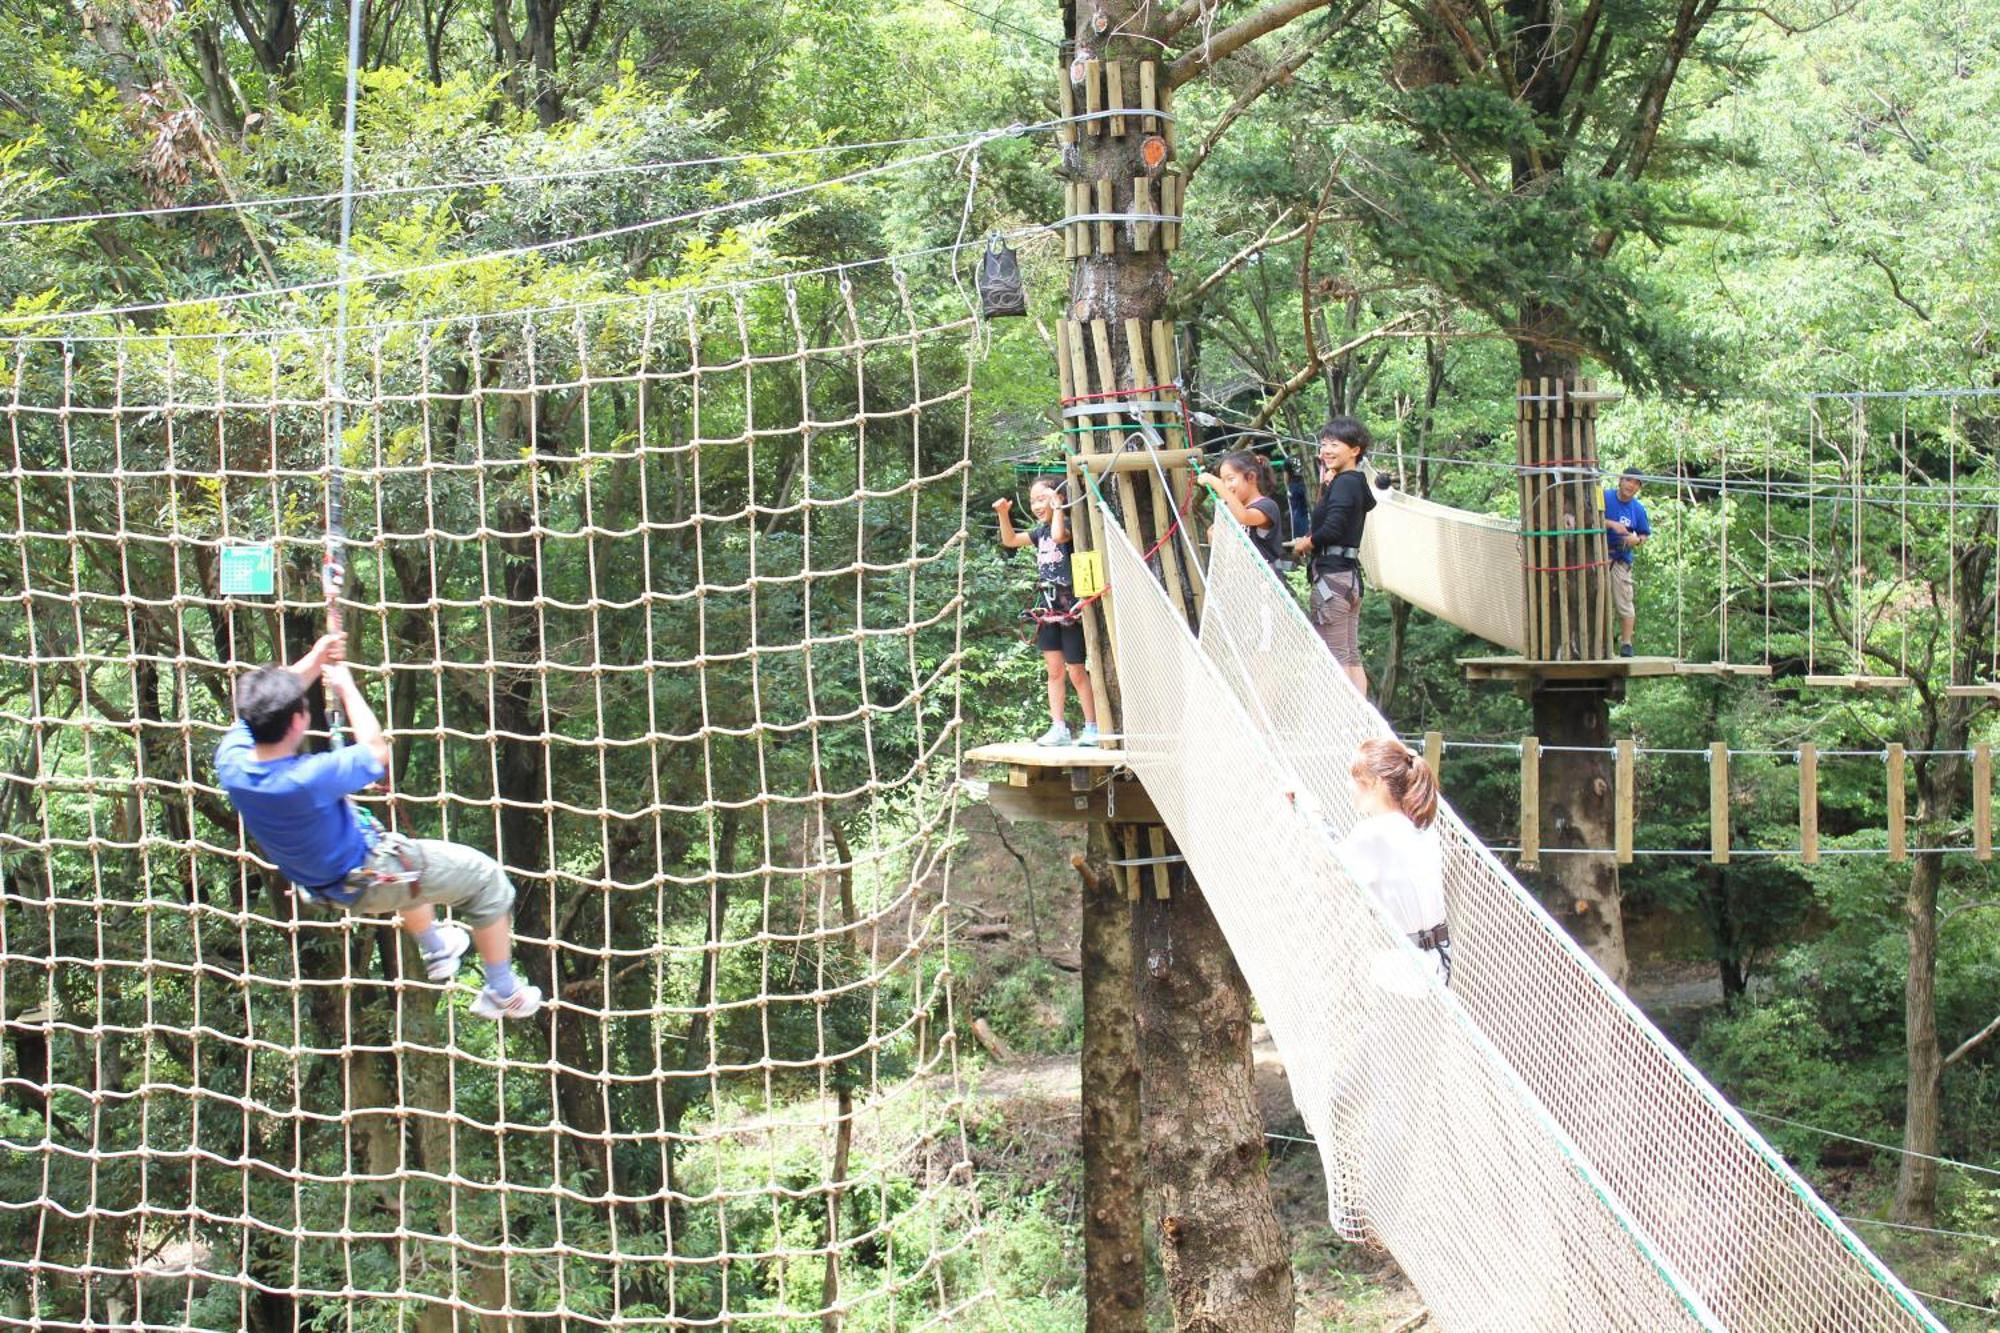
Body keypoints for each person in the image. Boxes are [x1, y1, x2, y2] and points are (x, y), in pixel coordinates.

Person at [214, 632, 543, 1020]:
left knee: (412, 862)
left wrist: (316, 658)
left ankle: (437, 948)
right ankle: (503, 991)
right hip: (369, 875)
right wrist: (346, 686)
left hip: (326, 883)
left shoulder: (233, 760)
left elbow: (269, 702)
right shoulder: (305, 779)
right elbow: (377, 752)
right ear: (299, 720)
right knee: (487, 880)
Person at [994, 480, 1100, 747]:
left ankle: (1092, 726)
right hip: (1048, 609)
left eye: (1042, 499)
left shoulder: (1067, 526)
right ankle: (1059, 727)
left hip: (1071, 609)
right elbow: (1010, 540)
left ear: (1058, 498)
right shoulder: (1039, 531)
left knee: (1076, 669)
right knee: (1054, 671)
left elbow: (1059, 537)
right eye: (1033, 501)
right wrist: (1003, 514)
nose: (1037, 506)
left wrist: (1058, 506)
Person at [1336, 737, 1449, 983]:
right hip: (1439, 965)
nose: (1348, 786)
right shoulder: (1423, 829)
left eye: (1355, 780)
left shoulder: (1372, 833)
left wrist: (1307, 815)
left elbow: (1330, 872)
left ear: (1375, 783)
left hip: (1401, 971)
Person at [1289, 418, 1377, 692]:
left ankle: (1340, 722)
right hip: (1349, 579)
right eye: (1324, 444)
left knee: (1334, 655)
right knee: (1350, 654)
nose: (1326, 450)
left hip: (1333, 579)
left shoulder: (1344, 483)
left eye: (1334, 444)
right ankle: (1360, 723)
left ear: (1355, 450)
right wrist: (1329, 484)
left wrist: (1308, 543)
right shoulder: (1354, 482)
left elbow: (1332, 526)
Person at [1197, 449, 1284, 570]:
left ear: (1251, 477)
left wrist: (1215, 483)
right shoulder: (1234, 511)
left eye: (1230, 479)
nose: (1226, 486)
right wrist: (1215, 540)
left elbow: (1244, 517)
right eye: (1223, 481)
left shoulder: (1267, 506)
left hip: (1264, 583)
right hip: (1240, 582)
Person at [1602, 468, 1651, 658]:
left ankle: (1626, 643)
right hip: (1598, 555)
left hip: (1621, 558)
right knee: (1595, 599)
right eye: (1628, 480)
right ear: (1620, 480)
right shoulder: (1605, 497)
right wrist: (1612, 524)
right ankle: (1600, 641)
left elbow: (1644, 534)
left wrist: (1635, 540)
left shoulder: (1637, 509)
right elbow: (1589, 517)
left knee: (1624, 601)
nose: (1631, 485)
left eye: (1636, 483)